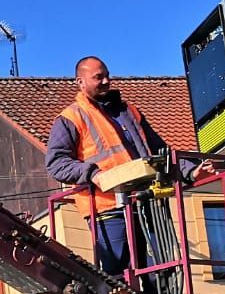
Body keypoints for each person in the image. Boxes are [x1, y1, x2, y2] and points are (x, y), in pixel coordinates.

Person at [45, 56, 176, 278]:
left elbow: (160, 151)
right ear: (80, 82)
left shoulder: (129, 112)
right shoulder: (71, 117)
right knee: (119, 277)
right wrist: (93, 174)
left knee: (161, 273)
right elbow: (56, 164)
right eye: (98, 77)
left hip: (147, 201)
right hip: (108, 208)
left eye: (107, 76)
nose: (106, 81)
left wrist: (192, 171)